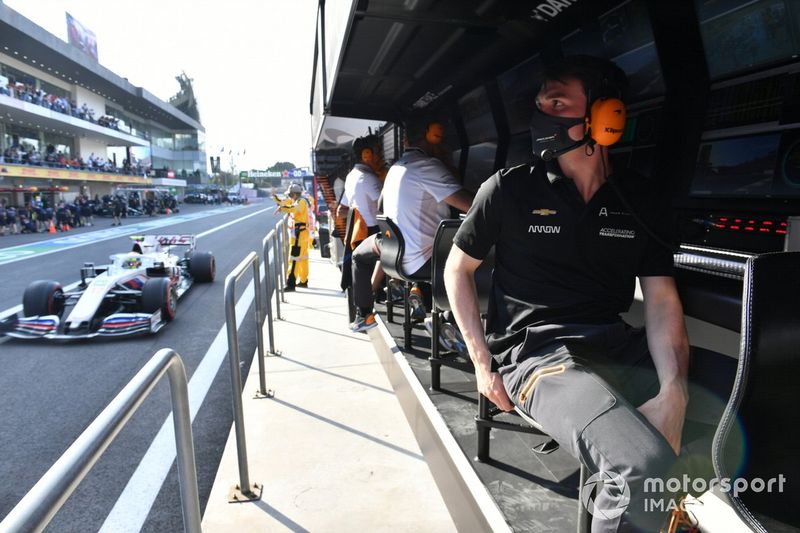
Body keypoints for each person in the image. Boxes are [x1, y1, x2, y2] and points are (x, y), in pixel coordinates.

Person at [444, 56, 690, 532]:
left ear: (606, 116)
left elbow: (661, 301)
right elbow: (458, 268)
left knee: (763, 398)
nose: (542, 114)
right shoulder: (509, 189)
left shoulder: (640, 200)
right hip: (538, 357)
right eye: (541, 104)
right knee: (639, 467)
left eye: (557, 102)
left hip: (616, 346)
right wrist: (480, 363)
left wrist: (674, 391)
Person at [349, 115, 472, 332]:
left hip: (392, 252)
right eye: (439, 137)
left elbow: (380, 205)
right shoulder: (428, 166)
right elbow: (468, 205)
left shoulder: (397, 167)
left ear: (405, 141)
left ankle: (364, 315)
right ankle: (444, 318)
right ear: (429, 138)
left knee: (358, 256)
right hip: (420, 259)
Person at [274, 183, 310, 291]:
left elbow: (292, 209)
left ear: (294, 194)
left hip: (299, 234)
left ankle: (291, 283)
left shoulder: (301, 202)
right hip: (300, 233)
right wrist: (275, 198)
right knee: (303, 258)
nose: (289, 196)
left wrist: (282, 209)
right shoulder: (297, 200)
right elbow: (284, 203)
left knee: (294, 258)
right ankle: (303, 281)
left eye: (290, 194)